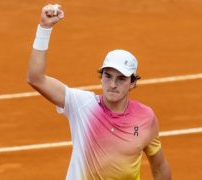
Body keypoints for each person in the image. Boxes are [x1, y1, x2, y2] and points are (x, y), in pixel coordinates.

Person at [27, 4, 172, 180]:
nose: (112, 84)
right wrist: (44, 28)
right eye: (108, 76)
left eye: (121, 79)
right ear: (101, 77)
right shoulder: (81, 105)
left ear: (132, 83)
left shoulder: (145, 118)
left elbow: (160, 166)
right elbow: (36, 78)